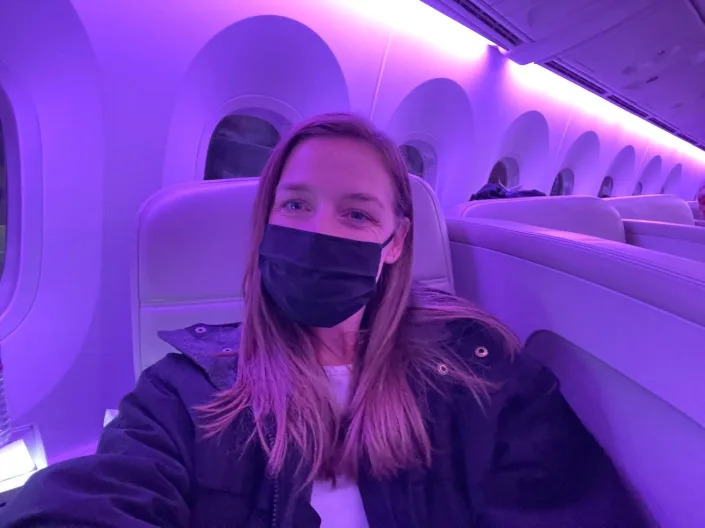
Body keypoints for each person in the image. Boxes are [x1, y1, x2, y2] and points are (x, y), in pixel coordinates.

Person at [0, 113, 653, 528]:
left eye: (356, 215)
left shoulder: (479, 374)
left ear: (395, 242)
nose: (318, 232)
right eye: (295, 205)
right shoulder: (188, 390)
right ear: (265, 225)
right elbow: (108, 491)